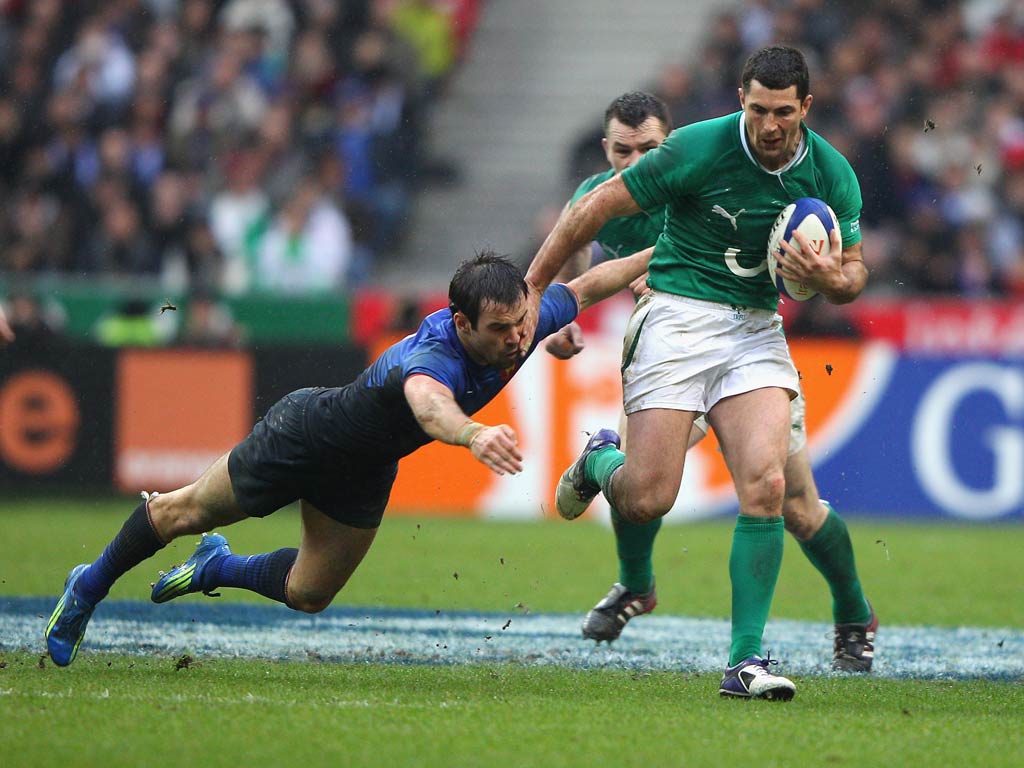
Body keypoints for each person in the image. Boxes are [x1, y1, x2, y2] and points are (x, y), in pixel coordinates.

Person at [44, 249, 650, 667]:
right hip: (304, 437)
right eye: (500, 329)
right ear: (463, 322)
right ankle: (87, 587)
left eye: (522, 323)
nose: (517, 339)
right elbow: (428, 403)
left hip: (363, 470)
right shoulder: (432, 354)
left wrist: (669, 251)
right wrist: (471, 436)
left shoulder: (521, 320)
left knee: (309, 594)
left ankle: (215, 569)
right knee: (182, 512)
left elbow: (590, 284)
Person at [523, 47, 871, 701]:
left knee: (773, 490)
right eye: (759, 110)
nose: (770, 126)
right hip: (677, 320)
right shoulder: (694, 152)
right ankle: (604, 466)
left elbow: (854, 273)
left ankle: (750, 660)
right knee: (648, 495)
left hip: (754, 329)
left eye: (784, 113)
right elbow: (593, 213)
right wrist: (533, 290)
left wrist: (832, 278)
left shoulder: (830, 173)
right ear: (740, 98)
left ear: (806, 107)